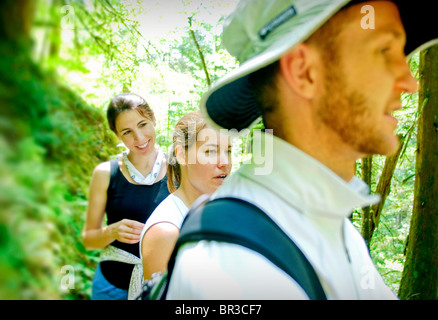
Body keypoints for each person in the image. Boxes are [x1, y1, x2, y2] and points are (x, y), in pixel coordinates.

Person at [165, 0, 438, 299]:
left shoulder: (330, 224)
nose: (409, 82)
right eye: (383, 51)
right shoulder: (235, 273)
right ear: (304, 72)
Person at [82, 93, 170, 300]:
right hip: (111, 288)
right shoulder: (105, 173)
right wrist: (112, 231)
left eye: (143, 124)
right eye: (127, 132)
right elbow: (88, 240)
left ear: (154, 119)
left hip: (161, 286)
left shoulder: (179, 170)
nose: (139, 138)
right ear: (117, 135)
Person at [139, 110, 232, 282]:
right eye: (211, 151)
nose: (225, 162)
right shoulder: (165, 232)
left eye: (228, 151)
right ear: (182, 155)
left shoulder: (219, 213)